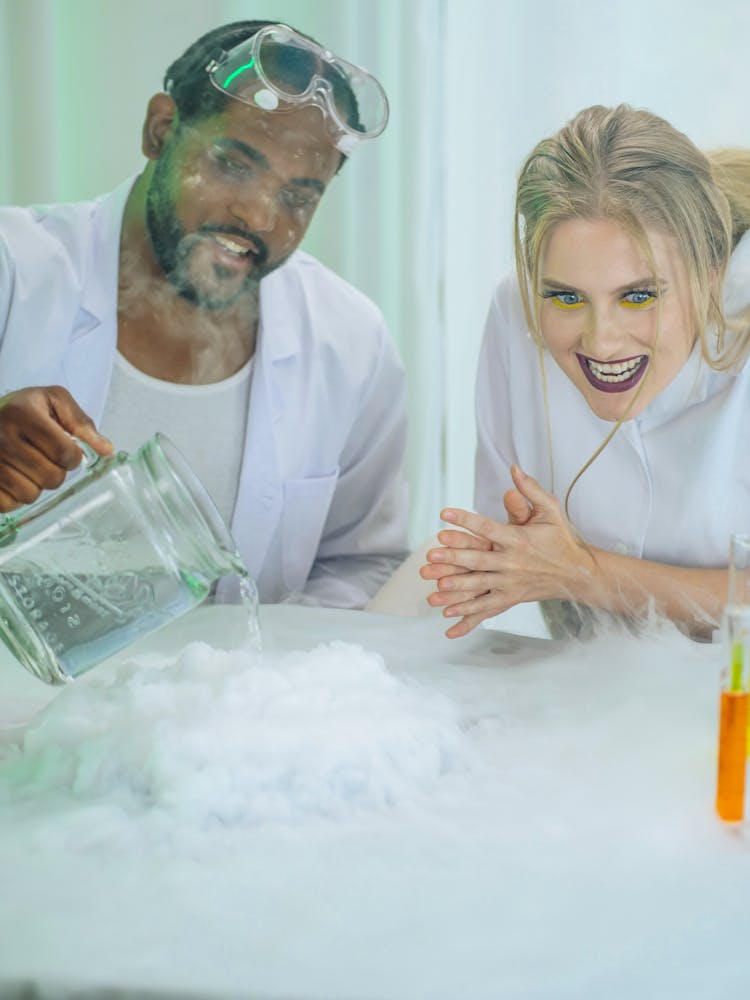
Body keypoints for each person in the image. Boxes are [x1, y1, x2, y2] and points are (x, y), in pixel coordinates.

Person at [0, 20, 408, 608]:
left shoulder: (350, 341)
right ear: (160, 129)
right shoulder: (16, 268)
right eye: (234, 165)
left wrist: (255, 682)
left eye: (298, 196)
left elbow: (362, 563)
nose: (260, 216)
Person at [421, 104, 750, 639]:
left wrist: (581, 572)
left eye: (639, 295)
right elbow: (512, 548)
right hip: (591, 696)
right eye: (567, 297)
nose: (601, 341)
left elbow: (562, 571)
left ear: (711, 271)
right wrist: (495, 567)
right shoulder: (515, 312)